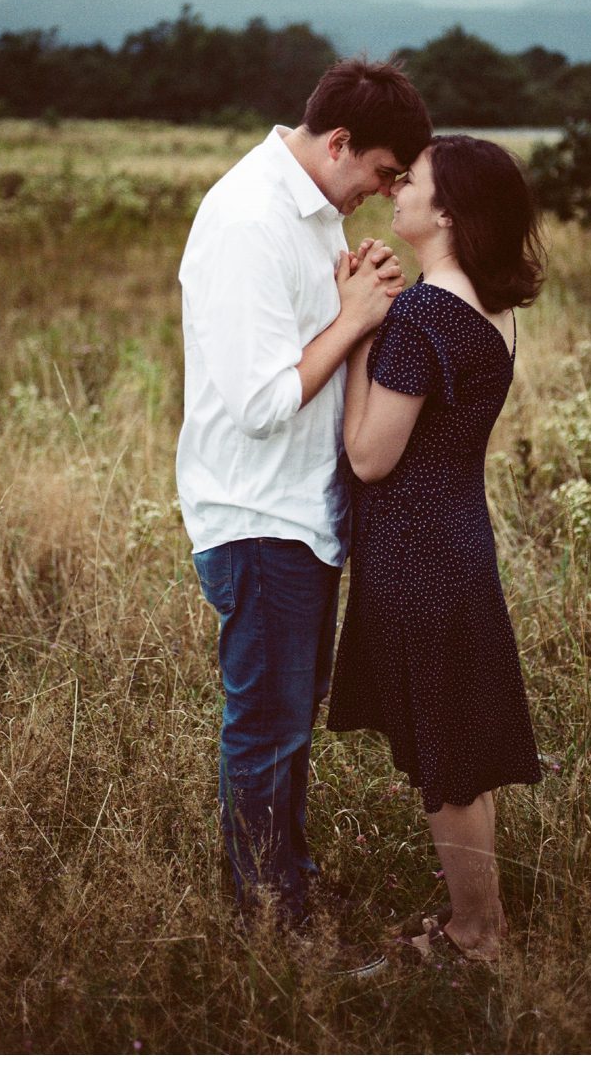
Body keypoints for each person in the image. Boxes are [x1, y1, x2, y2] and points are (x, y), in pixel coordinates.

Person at [178, 59, 432, 925]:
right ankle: (268, 914)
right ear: (339, 143)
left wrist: (356, 289)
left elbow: (307, 342)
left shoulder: (315, 214)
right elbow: (259, 403)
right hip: (258, 515)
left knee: (290, 721)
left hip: (301, 513)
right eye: (384, 173)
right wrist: (354, 317)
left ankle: (287, 877)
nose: (385, 192)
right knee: (267, 725)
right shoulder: (249, 218)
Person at [328, 133, 548, 964]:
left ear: (448, 211)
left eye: (411, 180)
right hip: (459, 538)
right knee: (459, 742)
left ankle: (477, 934)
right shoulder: (491, 309)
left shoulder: (425, 314)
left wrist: (359, 333)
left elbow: (369, 456)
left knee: (445, 753)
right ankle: (477, 919)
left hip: (417, 550)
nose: (397, 189)